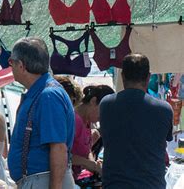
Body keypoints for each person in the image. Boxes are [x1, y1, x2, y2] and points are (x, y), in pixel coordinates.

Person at [7, 37, 75, 189]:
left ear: (21, 65)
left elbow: (58, 147)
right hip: (40, 180)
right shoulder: (42, 93)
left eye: (11, 62)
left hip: (44, 181)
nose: (10, 67)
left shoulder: (48, 95)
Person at [100, 53, 173, 189]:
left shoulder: (106, 104)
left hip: (114, 185)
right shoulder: (164, 109)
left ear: (122, 76)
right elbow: (166, 139)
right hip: (151, 185)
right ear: (148, 77)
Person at [71, 85, 114, 181]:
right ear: (93, 101)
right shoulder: (74, 121)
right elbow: (61, 154)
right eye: (103, 111)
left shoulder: (87, 121)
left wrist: (92, 162)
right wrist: (89, 164)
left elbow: (86, 150)